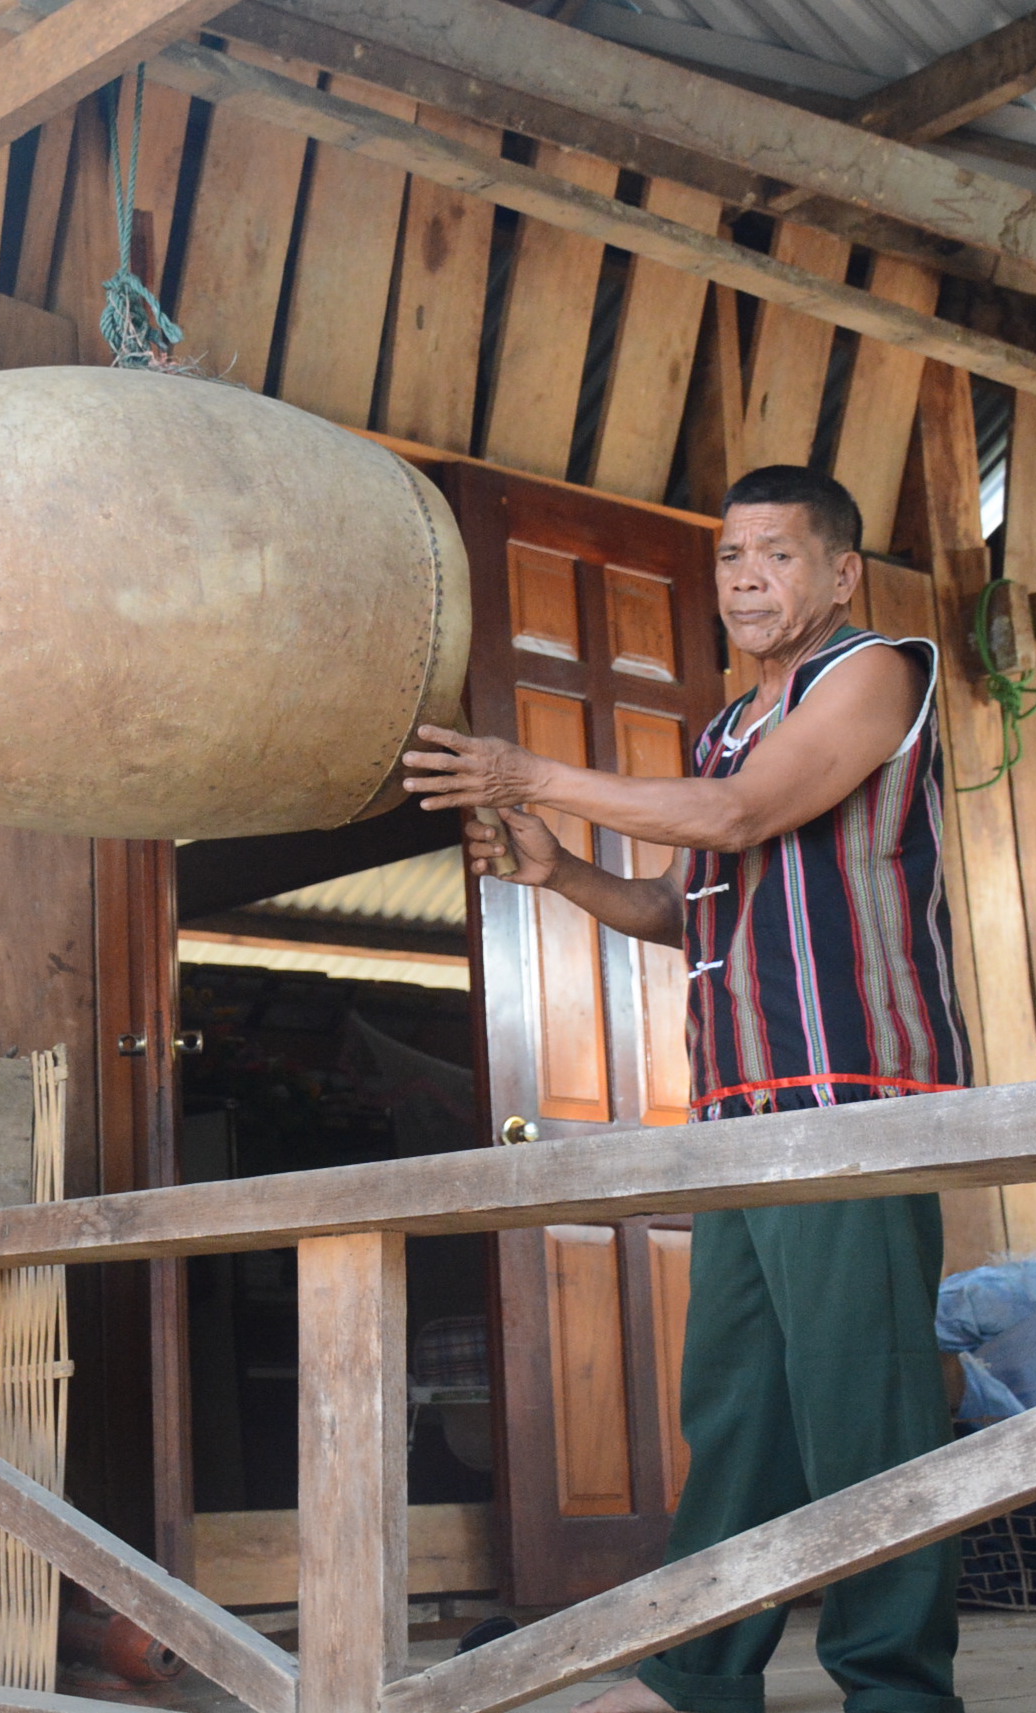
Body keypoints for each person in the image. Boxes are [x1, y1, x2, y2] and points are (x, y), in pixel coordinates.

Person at [402, 464, 968, 1713]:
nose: (745, 579)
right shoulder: (723, 720)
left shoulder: (874, 672)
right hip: (738, 1109)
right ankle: (698, 1677)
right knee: (736, 1411)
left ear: (837, 573)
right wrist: (558, 871)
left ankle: (897, 1692)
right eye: (728, 558)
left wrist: (525, 774)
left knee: (861, 1411)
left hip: (849, 1096)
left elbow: (734, 817)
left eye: (774, 554)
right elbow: (677, 905)